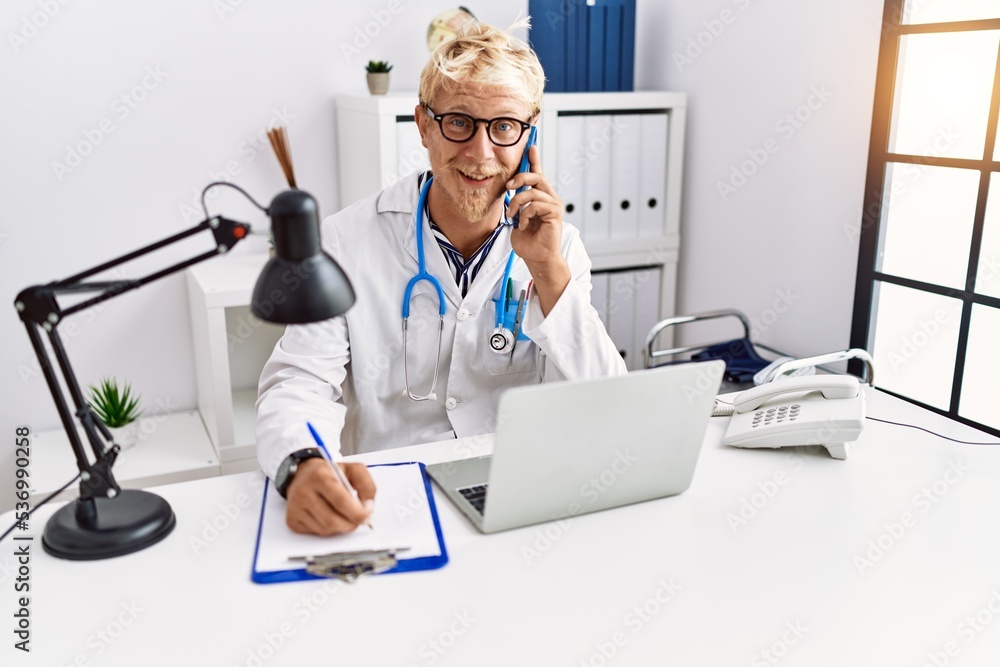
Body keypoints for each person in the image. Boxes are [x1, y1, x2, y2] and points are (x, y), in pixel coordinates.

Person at [256, 20, 627, 536]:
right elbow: (297, 382)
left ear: (529, 132)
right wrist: (302, 463)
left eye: (503, 127)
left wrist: (547, 271)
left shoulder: (558, 247)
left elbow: (607, 403)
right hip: (391, 497)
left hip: (517, 493)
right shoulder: (345, 240)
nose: (480, 153)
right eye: (458, 122)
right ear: (424, 125)